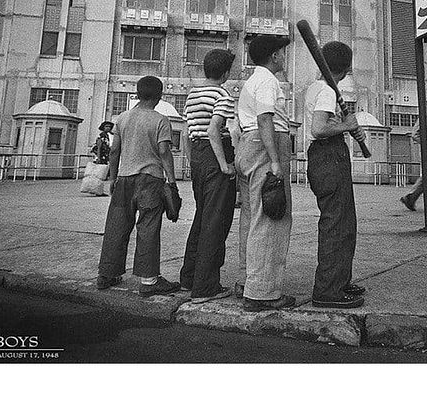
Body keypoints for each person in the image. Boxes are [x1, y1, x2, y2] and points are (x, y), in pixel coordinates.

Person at [96, 76, 181, 295]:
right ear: (160, 95)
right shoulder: (161, 120)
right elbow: (164, 151)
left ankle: (107, 274)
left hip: (124, 179)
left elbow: (115, 151)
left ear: (137, 93)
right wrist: (171, 182)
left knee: (116, 226)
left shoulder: (123, 118)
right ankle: (149, 281)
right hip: (150, 180)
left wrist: (112, 178)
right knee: (148, 227)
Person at [304, 41, 367, 309]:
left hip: (324, 157)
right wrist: (346, 125)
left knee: (343, 222)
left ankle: (339, 281)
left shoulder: (316, 88)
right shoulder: (328, 90)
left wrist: (346, 126)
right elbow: (318, 129)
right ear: (348, 67)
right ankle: (328, 290)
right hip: (328, 156)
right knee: (337, 224)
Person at [235, 34, 295, 312]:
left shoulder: (251, 81)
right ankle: (262, 293)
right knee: (271, 217)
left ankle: (247, 281)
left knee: (251, 216)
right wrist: (274, 160)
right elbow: (264, 118)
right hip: (265, 145)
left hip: (248, 145)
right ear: (273, 56)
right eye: (282, 53)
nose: (284, 57)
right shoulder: (268, 81)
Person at [179, 48, 238, 304]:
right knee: (216, 221)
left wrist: (194, 160)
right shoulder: (222, 94)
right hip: (216, 155)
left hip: (199, 156)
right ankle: (205, 287)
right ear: (225, 73)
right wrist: (224, 164)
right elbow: (215, 130)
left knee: (202, 217)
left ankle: (189, 277)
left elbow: (184, 133)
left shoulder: (193, 94)